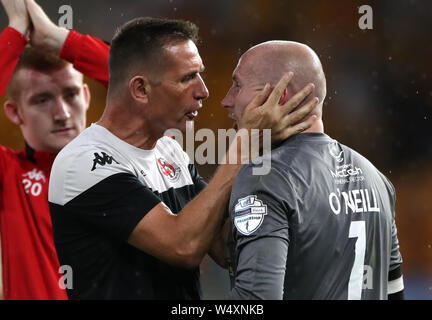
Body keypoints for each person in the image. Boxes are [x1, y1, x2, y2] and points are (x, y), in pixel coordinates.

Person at [47, 16, 319, 299]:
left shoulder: (170, 150)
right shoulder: (83, 162)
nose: (204, 91)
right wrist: (247, 143)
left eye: (200, 74)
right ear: (141, 89)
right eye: (187, 77)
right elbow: (183, 246)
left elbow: (223, 246)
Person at [222, 40, 404, 300]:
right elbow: (395, 292)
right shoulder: (376, 179)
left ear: (279, 96)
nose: (225, 100)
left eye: (237, 85)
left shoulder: (266, 177)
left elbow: (256, 300)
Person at [0, 0, 109, 299]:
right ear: (14, 112)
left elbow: (152, 90)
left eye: (71, 94)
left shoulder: (124, 161)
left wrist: (57, 38)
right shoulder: (9, 174)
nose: (61, 113)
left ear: (86, 96)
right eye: (42, 100)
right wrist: (15, 33)